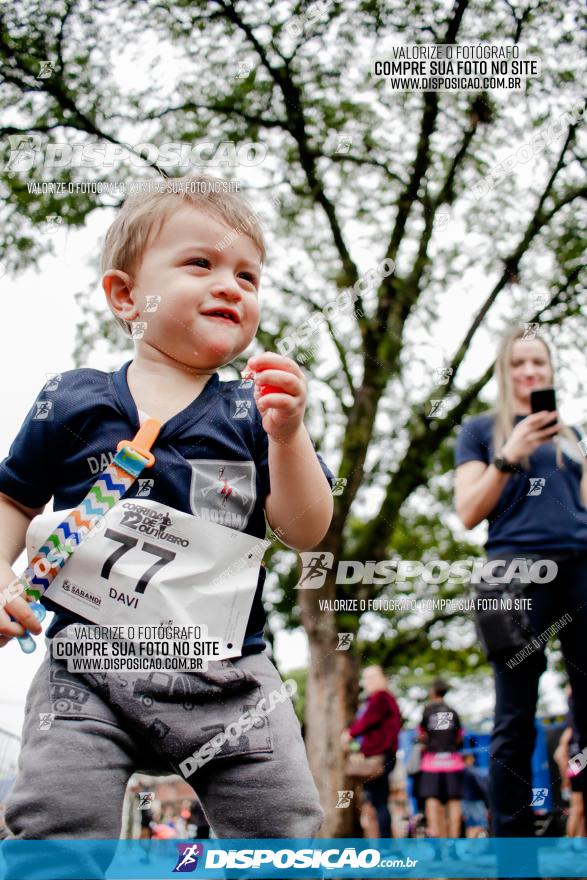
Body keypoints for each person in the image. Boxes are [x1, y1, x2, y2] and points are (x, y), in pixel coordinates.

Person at [0, 175, 336, 855]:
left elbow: (305, 530)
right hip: (85, 669)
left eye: (248, 274)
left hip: (232, 679)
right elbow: (13, 498)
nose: (231, 286)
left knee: (281, 832)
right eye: (200, 264)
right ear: (127, 295)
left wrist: (289, 434)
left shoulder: (252, 414)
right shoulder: (71, 401)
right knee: (54, 819)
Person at [454, 325, 587, 838]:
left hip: (580, 569)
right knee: (515, 716)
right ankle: (514, 854)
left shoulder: (572, 436)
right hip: (514, 575)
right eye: (518, 363)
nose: (530, 371)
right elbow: (468, 510)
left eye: (539, 363)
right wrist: (510, 453)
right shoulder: (481, 429)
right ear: (504, 372)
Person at [342, 665, 402, 838]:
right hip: (377, 756)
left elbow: (366, 721)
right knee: (373, 803)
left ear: (385, 679)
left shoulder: (381, 697)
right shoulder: (378, 700)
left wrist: (349, 734)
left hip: (380, 757)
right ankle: (378, 845)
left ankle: (385, 848)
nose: (368, 681)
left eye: (373, 677)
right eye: (366, 677)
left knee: (379, 802)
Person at [417, 678, 464, 838]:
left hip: (432, 763)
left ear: (433, 691)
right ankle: (454, 844)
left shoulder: (427, 711)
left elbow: (421, 735)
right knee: (454, 801)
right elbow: (459, 737)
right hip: (453, 762)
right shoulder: (453, 712)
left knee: (432, 800)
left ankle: (438, 843)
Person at [554, 684, 586, 837]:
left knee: (579, 809)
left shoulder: (571, 729)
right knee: (577, 808)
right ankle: (572, 843)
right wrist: (565, 777)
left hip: (576, 766)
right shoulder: (571, 730)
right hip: (578, 765)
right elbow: (559, 754)